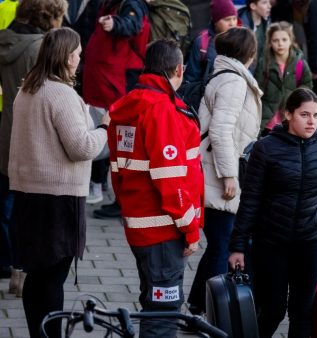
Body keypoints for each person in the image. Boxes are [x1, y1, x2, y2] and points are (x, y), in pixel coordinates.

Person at [9, 27, 108, 338]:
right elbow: (81, 147)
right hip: (58, 199)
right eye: (78, 54)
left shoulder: (27, 89)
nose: (81, 59)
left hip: (28, 195)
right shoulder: (62, 94)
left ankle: (37, 333)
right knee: (52, 279)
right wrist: (104, 127)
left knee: (36, 276)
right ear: (67, 58)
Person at [107, 39, 203, 337]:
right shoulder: (161, 110)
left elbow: (118, 172)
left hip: (140, 226)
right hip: (164, 230)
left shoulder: (128, 104)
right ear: (179, 69)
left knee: (152, 304)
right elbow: (170, 178)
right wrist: (190, 229)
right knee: (164, 314)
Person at [229, 88, 317, 338]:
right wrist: (237, 246)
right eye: (304, 114)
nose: (312, 121)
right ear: (288, 114)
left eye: (315, 115)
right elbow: (250, 200)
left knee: (303, 312)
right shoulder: (266, 148)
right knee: (272, 310)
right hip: (272, 242)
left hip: (312, 240)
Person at [187, 26, 262, 315]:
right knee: (223, 243)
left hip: (214, 167)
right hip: (218, 173)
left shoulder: (226, 76)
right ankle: (208, 309)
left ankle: (197, 305)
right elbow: (220, 131)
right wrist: (229, 175)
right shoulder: (234, 82)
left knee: (219, 243)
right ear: (250, 54)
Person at [0, 0, 68, 297]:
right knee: (32, 208)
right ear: (49, 15)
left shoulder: (5, 40)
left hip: (6, 128)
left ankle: (12, 266)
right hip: (35, 133)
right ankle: (24, 270)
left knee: (7, 204)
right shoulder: (42, 47)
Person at [82, 0, 151, 206]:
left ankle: (112, 191)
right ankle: (103, 185)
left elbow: (132, 25)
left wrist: (115, 24)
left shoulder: (129, 4)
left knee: (111, 133)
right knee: (105, 130)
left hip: (114, 81)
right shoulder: (110, 3)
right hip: (102, 79)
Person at [255, 21, 313, 131]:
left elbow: (307, 86)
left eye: (284, 40)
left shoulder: (300, 63)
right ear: (270, 42)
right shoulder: (264, 63)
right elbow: (257, 91)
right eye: (275, 40)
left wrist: (295, 98)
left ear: (291, 40)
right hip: (267, 123)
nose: (280, 44)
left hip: (290, 121)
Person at [184, 0, 238, 85]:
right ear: (215, 21)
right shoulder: (202, 43)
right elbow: (191, 79)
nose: (232, 23)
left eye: (234, 18)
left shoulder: (241, 40)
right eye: (227, 20)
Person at [238, 0, 271, 72]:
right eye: (264, 2)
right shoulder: (242, 27)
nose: (269, 6)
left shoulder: (267, 21)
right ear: (253, 6)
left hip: (262, 70)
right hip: (247, 70)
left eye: (269, 2)